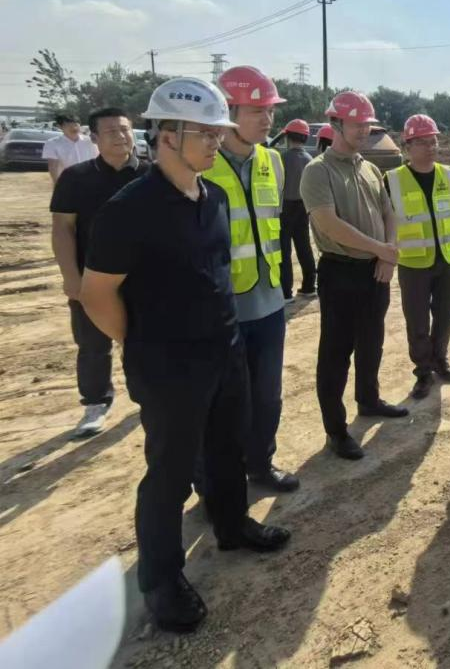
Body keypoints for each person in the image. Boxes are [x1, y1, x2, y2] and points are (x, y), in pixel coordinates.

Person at [79, 77, 290, 634]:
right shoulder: (130, 209)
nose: (216, 142)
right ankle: (161, 579)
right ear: (167, 135)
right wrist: (142, 343)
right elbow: (97, 294)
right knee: (169, 474)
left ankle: (232, 525)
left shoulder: (211, 197)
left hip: (224, 350)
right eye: (206, 133)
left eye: (219, 132)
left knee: (227, 449)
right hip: (168, 366)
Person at [203, 66, 298, 493]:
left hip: (268, 301)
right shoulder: (202, 166)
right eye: (257, 110)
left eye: (270, 110)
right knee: (220, 403)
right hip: (220, 309)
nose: (268, 119)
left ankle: (261, 463)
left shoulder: (272, 161)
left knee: (267, 396)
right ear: (227, 112)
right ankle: (215, 486)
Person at [300, 91, 407, 461]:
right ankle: (336, 430)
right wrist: (381, 249)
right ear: (335, 124)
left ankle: (369, 399)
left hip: (375, 270)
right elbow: (328, 224)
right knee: (336, 353)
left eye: (368, 124)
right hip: (340, 272)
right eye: (357, 124)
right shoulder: (318, 171)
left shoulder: (369, 168)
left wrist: (388, 253)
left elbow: (389, 213)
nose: (364, 130)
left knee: (371, 342)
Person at [49, 107, 146, 438]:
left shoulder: (152, 175)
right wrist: (71, 277)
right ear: (94, 138)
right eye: (111, 131)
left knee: (145, 340)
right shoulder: (76, 178)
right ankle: (95, 402)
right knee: (93, 343)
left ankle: (148, 395)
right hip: (93, 278)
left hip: (144, 279)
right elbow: (63, 228)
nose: (121, 136)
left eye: (125, 129)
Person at [385, 113, 450, 401]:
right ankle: (423, 371)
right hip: (413, 262)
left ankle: (440, 358)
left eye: (433, 142)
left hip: (447, 259)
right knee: (417, 320)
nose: (430, 148)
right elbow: (386, 220)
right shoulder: (393, 180)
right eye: (422, 143)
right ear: (407, 146)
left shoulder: (448, 174)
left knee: (447, 311)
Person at [279, 118, 317, 300]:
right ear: (305, 137)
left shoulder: (282, 158)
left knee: (284, 250)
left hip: (284, 207)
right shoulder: (310, 159)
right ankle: (309, 286)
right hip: (303, 207)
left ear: (288, 137)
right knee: (304, 247)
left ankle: (285, 292)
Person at [42, 113, 97, 184]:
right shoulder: (52, 143)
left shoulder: (91, 141)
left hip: (92, 180)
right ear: (60, 127)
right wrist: (57, 184)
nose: (74, 128)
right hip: (69, 182)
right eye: (69, 125)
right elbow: (53, 166)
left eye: (76, 125)